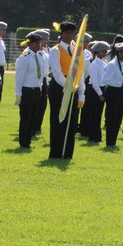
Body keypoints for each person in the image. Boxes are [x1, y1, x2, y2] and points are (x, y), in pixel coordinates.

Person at [48, 21, 85, 159]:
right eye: (67, 33)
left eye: (71, 33)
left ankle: (68, 152)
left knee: (72, 120)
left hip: (73, 87)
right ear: (62, 34)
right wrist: (68, 86)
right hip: (60, 88)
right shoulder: (55, 50)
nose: (70, 36)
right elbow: (57, 73)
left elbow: (80, 71)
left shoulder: (76, 50)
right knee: (58, 118)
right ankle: (56, 152)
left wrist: (81, 91)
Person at [14, 33, 45, 148]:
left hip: (36, 90)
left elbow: (40, 75)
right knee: (26, 118)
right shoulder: (24, 57)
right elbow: (19, 78)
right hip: (27, 91)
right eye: (36, 43)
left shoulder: (39, 56)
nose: (39, 45)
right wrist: (18, 95)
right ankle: (24, 142)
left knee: (33, 118)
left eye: (39, 43)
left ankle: (28, 140)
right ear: (29, 44)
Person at [102, 42, 123, 147]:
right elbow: (106, 80)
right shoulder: (112, 64)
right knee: (112, 118)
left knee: (119, 118)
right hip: (112, 92)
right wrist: (120, 84)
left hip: (120, 92)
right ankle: (109, 142)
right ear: (120, 53)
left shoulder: (122, 64)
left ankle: (113, 142)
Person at [87, 41, 110, 143]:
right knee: (94, 113)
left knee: (99, 113)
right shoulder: (94, 64)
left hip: (102, 88)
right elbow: (94, 81)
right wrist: (100, 94)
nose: (104, 53)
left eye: (105, 51)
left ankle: (97, 135)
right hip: (95, 90)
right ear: (96, 52)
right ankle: (93, 136)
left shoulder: (104, 63)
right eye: (102, 51)